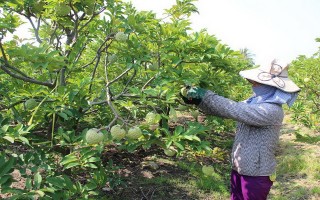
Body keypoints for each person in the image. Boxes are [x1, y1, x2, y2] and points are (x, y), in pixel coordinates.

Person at [180, 60, 300, 200]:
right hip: (239, 167)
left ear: (270, 86)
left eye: (258, 82)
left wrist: (204, 95)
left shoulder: (271, 110)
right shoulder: (253, 102)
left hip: (257, 173)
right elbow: (224, 109)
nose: (253, 85)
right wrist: (197, 100)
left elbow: (234, 109)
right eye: (253, 82)